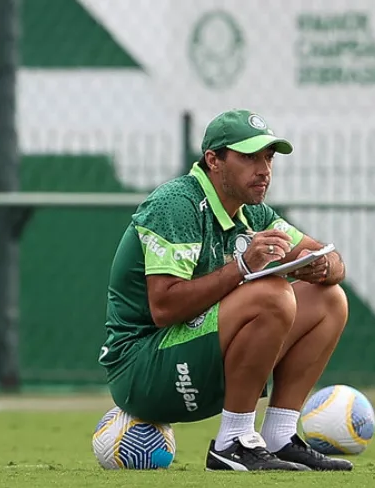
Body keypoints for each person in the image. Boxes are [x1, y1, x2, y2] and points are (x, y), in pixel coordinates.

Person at [99, 109, 352, 472]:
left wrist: (325, 267)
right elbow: (164, 308)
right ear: (213, 160)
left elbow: (328, 258)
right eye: (249, 157)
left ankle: (279, 437)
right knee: (271, 295)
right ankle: (233, 441)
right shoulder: (177, 204)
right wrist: (243, 267)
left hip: (196, 356)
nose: (264, 168)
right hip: (142, 371)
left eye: (268, 157)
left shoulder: (255, 213)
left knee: (329, 299)